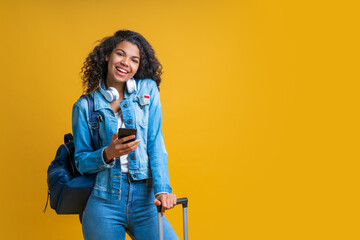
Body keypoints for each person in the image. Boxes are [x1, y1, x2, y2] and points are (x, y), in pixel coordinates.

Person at [72, 30, 179, 240]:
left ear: (139, 66)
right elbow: (80, 161)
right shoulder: (84, 106)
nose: (125, 63)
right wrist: (108, 152)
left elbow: (155, 142)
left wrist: (162, 190)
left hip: (146, 197)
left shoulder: (147, 91)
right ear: (107, 56)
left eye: (134, 59)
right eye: (120, 54)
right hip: (104, 200)